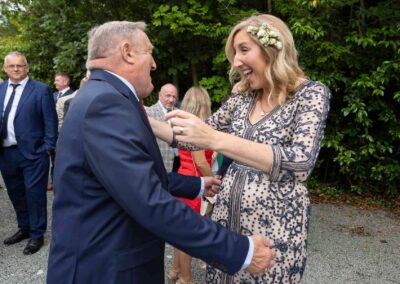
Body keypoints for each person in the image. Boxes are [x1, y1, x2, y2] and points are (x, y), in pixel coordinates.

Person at [46, 21, 276, 284]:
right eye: (150, 52)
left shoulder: (102, 95)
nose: (154, 63)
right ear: (127, 52)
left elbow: (132, 179)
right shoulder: (105, 102)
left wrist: (198, 184)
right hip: (105, 269)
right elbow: (149, 201)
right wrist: (242, 251)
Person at [154, 14, 331, 283]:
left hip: (276, 228)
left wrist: (216, 139)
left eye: (244, 50)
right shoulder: (243, 97)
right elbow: (193, 137)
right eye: (235, 53)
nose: (236, 61)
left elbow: (301, 162)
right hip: (228, 224)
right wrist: (142, 119)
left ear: (273, 48)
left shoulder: (311, 94)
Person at [0, 51, 58, 254]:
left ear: (27, 68)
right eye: (11, 66)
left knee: (34, 195)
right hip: (6, 153)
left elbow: (50, 122)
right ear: (5, 68)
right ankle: (24, 228)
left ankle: (36, 235)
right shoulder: (0, 89)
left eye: (20, 65)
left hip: (34, 154)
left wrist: (47, 148)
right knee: (16, 194)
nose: (16, 69)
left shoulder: (40, 90)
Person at [168, 86, 214, 284]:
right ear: (204, 103)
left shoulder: (183, 124)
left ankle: (175, 271)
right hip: (196, 184)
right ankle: (186, 279)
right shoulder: (198, 127)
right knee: (188, 236)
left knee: (180, 232)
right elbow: (201, 162)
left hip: (183, 180)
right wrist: (214, 183)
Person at [146, 83, 178, 173]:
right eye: (168, 96)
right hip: (160, 166)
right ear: (159, 95)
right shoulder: (148, 113)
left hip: (180, 166)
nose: (171, 100)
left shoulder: (179, 113)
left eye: (174, 97)